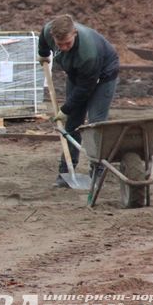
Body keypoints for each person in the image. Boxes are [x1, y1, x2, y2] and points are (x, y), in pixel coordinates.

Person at [38, 14, 120, 187]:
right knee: (72, 123)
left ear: (74, 33)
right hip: (77, 73)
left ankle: (97, 172)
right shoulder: (49, 31)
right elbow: (43, 40)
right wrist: (43, 54)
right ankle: (66, 172)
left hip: (104, 75)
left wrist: (65, 109)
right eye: (60, 45)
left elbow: (84, 89)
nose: (64, 48)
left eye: (68, 43)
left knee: (95, 124)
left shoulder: (88, 53)